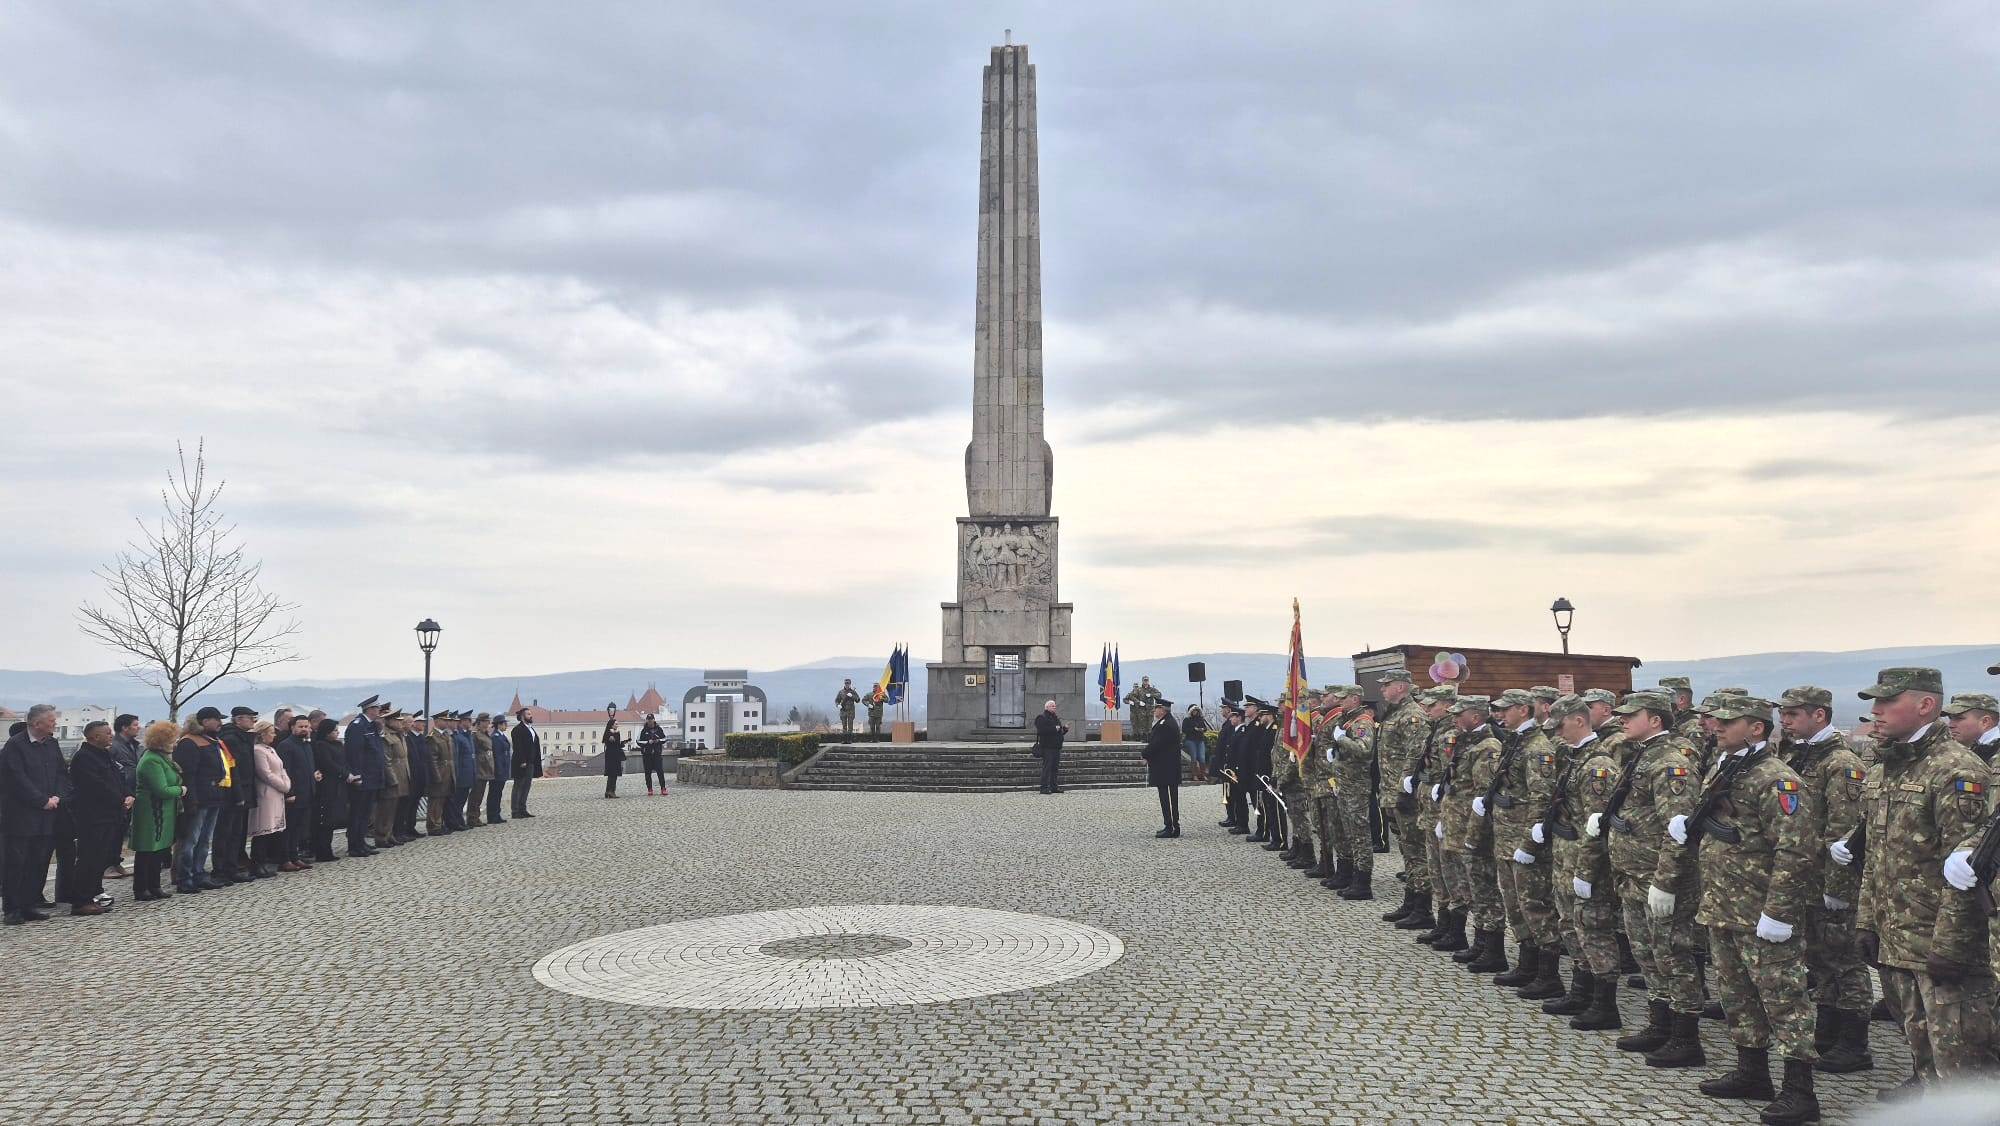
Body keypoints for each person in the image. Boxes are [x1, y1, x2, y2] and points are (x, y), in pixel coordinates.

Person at [1665, 696, 1817, 1121]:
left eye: (1729, 721)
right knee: (1736, 994)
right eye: (1716, 720)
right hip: (1722, 905)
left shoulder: (1777, 779)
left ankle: (1800, 1090)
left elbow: (1797, 851)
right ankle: (1752, 1072)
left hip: (1760, 910)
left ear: (1755, 728)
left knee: (1784, 998)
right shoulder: (1724, 767)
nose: (1717, 726)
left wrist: (1779, 912)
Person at [1851, 667, 1995, 1098]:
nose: (1875, 712)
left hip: (1939, 944)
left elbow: (1972, 870)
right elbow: (1875, 857)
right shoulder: (1884, 769)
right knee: (1923, 1055)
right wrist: (1867, 921)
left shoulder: (1955, 770)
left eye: (1886, 702)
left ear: (1925, 705)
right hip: (1897, 940)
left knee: (1964, 1065)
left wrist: (1951, 947)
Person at [1601, 690, 1705, 1063]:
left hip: (1658, 878)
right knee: (1647, 954)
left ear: (1656, 720)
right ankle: (1660, 1025)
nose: (1623, 720)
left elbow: (1678, 830)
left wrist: (1666, 881)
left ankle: (1686, 1038)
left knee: (1673, 955)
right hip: (1634, 873)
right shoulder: (1643, 755)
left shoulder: (1670, 764)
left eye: (1632, 714)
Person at [1775, 686, 1872, 1073]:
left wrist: (1838, 887)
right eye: (1784, 713)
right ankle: (1828, 1031)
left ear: (1819, 715)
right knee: (1820, 957)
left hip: (1829, 880)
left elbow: (1844, 835)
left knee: (1845, 960)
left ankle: (1855, 1043)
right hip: (1804, 878)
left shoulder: (1840, 762)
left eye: (1794, 714)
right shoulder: (1798, 754)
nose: (1784, 720)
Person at [1439, 696, 1504, 969]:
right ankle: (1479, 943)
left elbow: (1483, 795)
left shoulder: (1488, 746)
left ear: (1476, 717)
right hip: (1457, 824)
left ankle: (1493, 949)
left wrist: (1475, 834)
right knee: (1469, 887)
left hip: (1473, 829)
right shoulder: (1468, 741)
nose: (1454, 718)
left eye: (1459, 714)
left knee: (1484, 888)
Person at [1376, 670, 1432, 925]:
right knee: (1407, 851)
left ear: (1400, 687)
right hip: (1392, 792)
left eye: (1387, 685)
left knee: (1417, 851)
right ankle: (1411, 901)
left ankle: (1422, 909)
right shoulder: (1395, 713)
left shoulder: (1412, 715)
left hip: (1405, 794)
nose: (1383, 689)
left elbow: (1416, 754)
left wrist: (1405, 787)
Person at [64, 719, 130, 915]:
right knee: (88, 858)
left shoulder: (105, 755)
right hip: (92, 816)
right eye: (107, 732)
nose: (111, 735)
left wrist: (128, 794)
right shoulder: (84, 758)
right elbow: (96, 786)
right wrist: (119, 798)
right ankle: (80, 900)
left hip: (110, 815)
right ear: (95, 736)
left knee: (100, 858)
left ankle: (94, 893)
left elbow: (118, 777)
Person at [173, 707, 230, 891]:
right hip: (199, 798)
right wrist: (192, 800)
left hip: (213, 796)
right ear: (205, 721)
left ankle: (199, 873)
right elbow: (188, 774)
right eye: (216, 720)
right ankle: (185, 877)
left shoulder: (210, 740)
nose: (220, 723)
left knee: (205, 840)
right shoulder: (189, 742)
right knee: (191, 840)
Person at [130, 720, 185, 900]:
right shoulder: (151, 760)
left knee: (158, 850)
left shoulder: (162, 758)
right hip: (151, 810)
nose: (176, 742)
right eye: (173, 739)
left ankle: (154, 886)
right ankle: (141, 888)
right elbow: (161, 789)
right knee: (146, 850)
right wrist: (181, 790)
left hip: (164, 811)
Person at [216, 705, 260, 881]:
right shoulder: (231, 738)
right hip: (234, 791)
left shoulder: (242, 737)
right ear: (239, 719)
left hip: (245, 788)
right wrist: (238, 793)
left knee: (238, 833)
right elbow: (234, 769)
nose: (253, 721)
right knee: (228, 833)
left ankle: (234, 865)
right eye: (250, 718)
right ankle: (224, 868)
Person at [344, 696, 386, 857]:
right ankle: (354, 845)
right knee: (357, 812)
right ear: (369, 709)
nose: (379, 711)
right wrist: (356, 775)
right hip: (362, 777)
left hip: (372, 776)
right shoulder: (357, 726)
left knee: (366, 812)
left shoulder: (371, 725)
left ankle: (361, 842)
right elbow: (354, 754)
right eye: (376, 709)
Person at [247, 721, 291, 877]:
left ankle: (266, 861)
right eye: (271, 732)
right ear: (262, 734)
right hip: (266, 793)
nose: (274, 735)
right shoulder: (258, 751)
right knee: (263, 829)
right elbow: (265, 773)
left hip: (277, 792)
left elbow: (281, 768)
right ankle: (257, 863)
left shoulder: (271, 749)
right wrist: (282, 785)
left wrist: (286, 783)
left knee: (273, 828)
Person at [274, 714, 317, 869]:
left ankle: (294, 855)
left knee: (298, 827)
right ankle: (284, 858)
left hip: (307, 791)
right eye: (301, 726)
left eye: (306, 726)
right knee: (289, 828)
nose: (304, 729)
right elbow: (285, 771)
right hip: (294, 794)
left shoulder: (306, 744)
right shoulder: (286, 745)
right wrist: (289, 792)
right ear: (292, 727)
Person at [309, 718, 351, 862]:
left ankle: (327, 848)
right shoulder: (321, 745)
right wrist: (344, 774)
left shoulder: (338, 745)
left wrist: (346, 773)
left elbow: (343, 762)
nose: (337, 732)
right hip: (327, 785)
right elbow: (328, 764)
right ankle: (322, 850)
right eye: (334, 730)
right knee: (325, 819)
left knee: (332, 819)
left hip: (338, 785)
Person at [106, 712, 141, 881]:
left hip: (132, 791)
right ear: (124, 728)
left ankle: (116, 861)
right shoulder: (115, 746)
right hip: (119, 792)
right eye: (135, 725)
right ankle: (107, 865)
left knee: (121, 830)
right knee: (112, 830)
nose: (138, 727)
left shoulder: (135, 745)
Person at [1141, 699, 1182, 837]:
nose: (1154, 711)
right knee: (1170, 798)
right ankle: (1172, 825)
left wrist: (1145, 754)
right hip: (1168, 767)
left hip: (1165, 767)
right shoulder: (1168, 722)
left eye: (1156, 708)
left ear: (1163, 710)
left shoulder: (1165, 724)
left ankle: (1171, 826)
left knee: (1167, 798)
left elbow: (1156, 744)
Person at [374, 709, 410, 847]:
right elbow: (386, 760)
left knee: (394, 809)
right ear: (389, 721)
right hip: (392, 777)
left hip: (402, 775)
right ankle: (381, 836)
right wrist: (392, 779)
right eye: (397, 721)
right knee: (385, 809)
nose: (400, 723)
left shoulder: (399, 735)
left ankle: (389, 834)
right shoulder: (386, 736)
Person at [1943, 693, 2000, 764]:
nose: (1950, 725)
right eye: (1950, 718)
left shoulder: (1993, 752)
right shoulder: (1974, 749)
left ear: (1985, 722)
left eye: (1959, 718)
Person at [427, 712, 458, 834]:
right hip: (440, 773)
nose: (446, 722)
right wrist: (436, 776)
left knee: (442, 800)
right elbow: (432, 760)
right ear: (436, 721)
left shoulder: (446, 736)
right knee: (435, 801)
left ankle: (439, 824)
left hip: (448, 772)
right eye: (444, 720)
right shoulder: (432, 737)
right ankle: (433, 826)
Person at [510, 708, 543, 817]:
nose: (531, 716)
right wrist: (522, 760)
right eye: (528, 714)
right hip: (521, 763)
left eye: (531, 714)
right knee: (518, 786)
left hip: (531, 762)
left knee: (526, 786)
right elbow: (518, 747)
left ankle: (522, 808)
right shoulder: (518, 729)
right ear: (523, 716)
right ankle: (515, 811)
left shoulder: (531, 729)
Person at [448, 712, 477, 829]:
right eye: (468, 720)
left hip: (469, 772)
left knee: (462, 799)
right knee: (458, 801)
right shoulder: (458, 737)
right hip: (462, 774)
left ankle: (459, 821)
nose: (470, 723)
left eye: (470, 720)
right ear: (462, 721)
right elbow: (457, 758)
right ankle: (456, 821)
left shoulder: (467, 735)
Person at [1033, 700, 1067, 794]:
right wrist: (1054, 728)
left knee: (1054, 768)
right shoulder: (1041, 717)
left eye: (1055, 706)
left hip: (1056, 747)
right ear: (1046, 707)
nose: (1054, 707)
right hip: (1047, 747)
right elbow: (1041, 730)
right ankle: (1044, 788)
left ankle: (1054, 787)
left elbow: (1059, 732)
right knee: (1047, 768)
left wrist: (1064, 729)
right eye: (1052, 706)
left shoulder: (1055, 718)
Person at [486, 714, 511, 822]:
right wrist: (499, 770)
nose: (506, 725)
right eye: (504, 723)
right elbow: (497, 756)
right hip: (498, 770)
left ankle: (496, 814)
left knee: (498, 793)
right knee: (494, 794)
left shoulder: (501, 736)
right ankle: (492, 815)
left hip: (503, 769)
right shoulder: (495, 737)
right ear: (499, 725)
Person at [637, 714, 668, 796]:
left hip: (657, 754)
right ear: (647, 720)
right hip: (647, 755)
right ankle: (650, 789)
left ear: (654, 720)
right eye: (648, 719)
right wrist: (648, 742)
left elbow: (665, 738)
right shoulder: (643, 730)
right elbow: (638, 741)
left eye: (651, 719)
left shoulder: (659, 729)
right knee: (647, 773)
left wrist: (658, 740)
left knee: (660, 772)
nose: (650, 721)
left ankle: (663, 788)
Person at [1179, 705, 1208, 783]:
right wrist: (1194, 729)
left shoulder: (1201, 719)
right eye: (1193, 711)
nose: (1195, 712)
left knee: (1202, 757)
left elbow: (1205, 728)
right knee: (1194, 757)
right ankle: (1194, 775)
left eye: (1196, 711)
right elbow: (1184, 730)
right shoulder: (1187, 720)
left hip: (1200, 740)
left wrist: (1202, 729)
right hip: (1190, 740)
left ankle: (1203, 774)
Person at [601, 716, 626, 799]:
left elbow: (617, 743)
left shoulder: (617, 732)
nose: (617, 725)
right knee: (611, 773)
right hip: (610, 754)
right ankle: (610, 791)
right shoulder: (608, 733)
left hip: (616, 754)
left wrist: (623, 743)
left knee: (614, 774)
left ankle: (610, 791)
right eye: (616, 724)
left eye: (617, 724)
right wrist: (611, 736)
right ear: (611, 725)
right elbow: (606, 741)